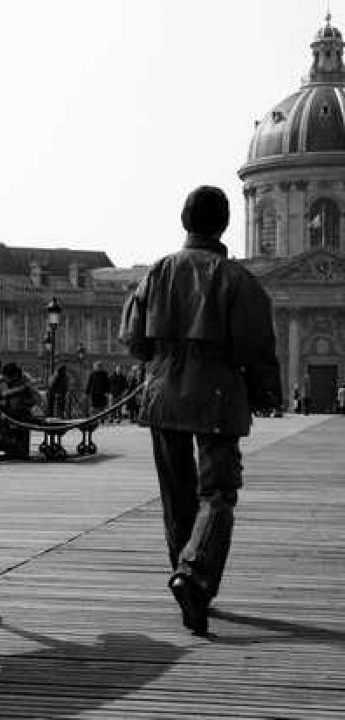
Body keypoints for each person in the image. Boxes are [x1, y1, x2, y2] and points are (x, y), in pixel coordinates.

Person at [119, 185, 281, 636]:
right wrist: (267, 393)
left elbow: (133, 341)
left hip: (163, 394)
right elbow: (258, 347)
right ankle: (193, 578)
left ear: (185, 221)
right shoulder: (238, 280)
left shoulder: (157, 272)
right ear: (225, 224)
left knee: (176, 494)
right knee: (218, 493)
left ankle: (187, 578)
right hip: (218, 395)